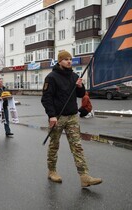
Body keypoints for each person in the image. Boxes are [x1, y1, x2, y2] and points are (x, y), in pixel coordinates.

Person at [41, 50, 102, 187]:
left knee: (77, 146)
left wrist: (80, 86)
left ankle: (84, 176)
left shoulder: (74, 76)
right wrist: (51, 115)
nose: (69, 61)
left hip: (72, 116)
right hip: (57, 117)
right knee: (54, 145)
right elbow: (46, 98)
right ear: (59, 61)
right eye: (66, 59)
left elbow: (80, 94)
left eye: (70, 59)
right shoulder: (51, 77)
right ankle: (52, 171)